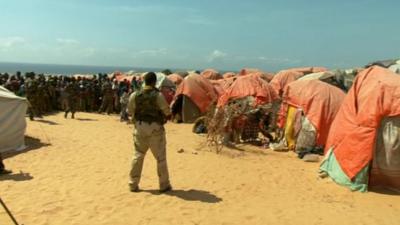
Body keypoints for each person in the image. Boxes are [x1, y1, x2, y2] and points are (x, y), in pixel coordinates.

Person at [127, 72, 172, 193]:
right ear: (154, 82)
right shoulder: (158, 95)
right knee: (160, 158)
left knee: (138, 155)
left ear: (144, 81)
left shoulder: (135, 95)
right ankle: (164, 185)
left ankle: (133, 184)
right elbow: (167, 112)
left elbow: (130, 111)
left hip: (140, 128)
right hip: (155, 129)